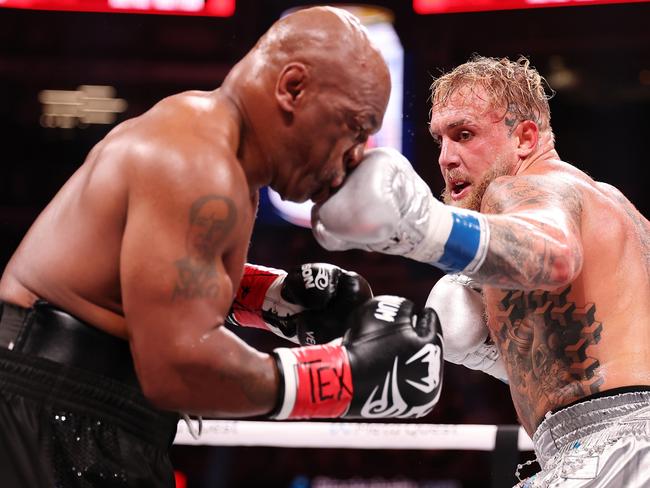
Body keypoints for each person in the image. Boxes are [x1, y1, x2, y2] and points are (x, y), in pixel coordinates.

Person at [0, 7, 444, 488]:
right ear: (293, 88)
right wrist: (343, 378)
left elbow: (155, 281)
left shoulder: (214, 152)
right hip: (52, 406)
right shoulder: (194, 161)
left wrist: (273, 299)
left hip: (79, 407)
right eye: (355, 127)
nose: (356, 154)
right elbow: (177, 367)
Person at [312, 55, 650, 486]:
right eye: (440, 140)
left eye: (465, 134)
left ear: (525, 137)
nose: (446, 159)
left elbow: (554, 254)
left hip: (615, 452)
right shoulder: (623, 215)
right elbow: (595, 359)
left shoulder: (525, 187)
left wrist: (416, 225)